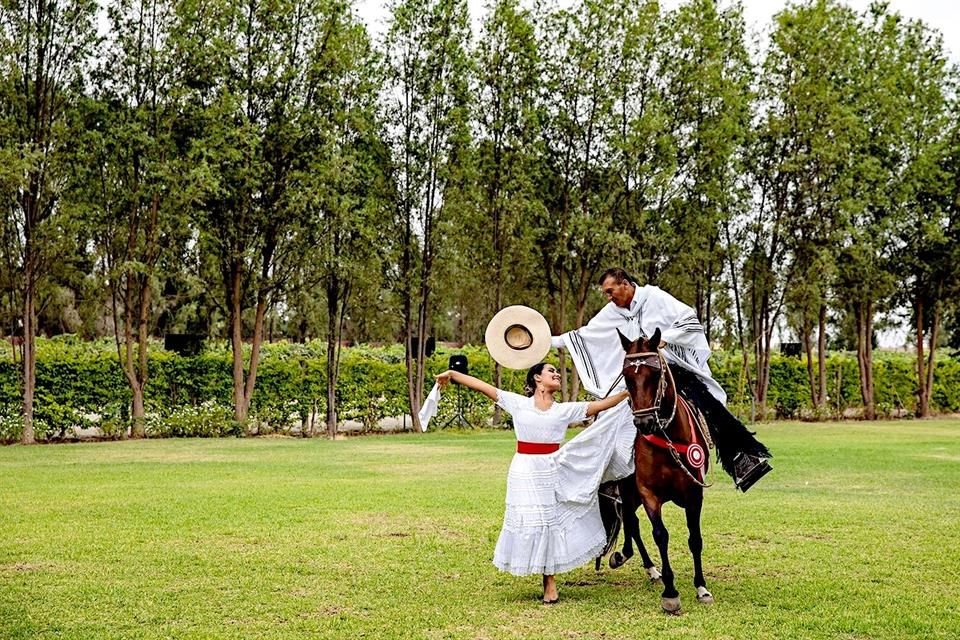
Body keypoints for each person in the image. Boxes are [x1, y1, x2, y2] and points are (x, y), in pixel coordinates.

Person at [552, 267, 772, 491]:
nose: (608, 297)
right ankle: (611, 480)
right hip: (640, 377)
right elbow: (586, 334)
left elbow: (689, 319)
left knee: (709, 404)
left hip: (672, 371)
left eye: (611, 291)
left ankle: (742, 460)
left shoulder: (654, 298)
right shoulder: (612, 312)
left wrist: (666, 338)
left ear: (625, 284)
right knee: (609, 420)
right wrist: (547, 341)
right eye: (606, 293)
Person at [436, 362, 629, 604]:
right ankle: (539, 570)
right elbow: (484, 387)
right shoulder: (518, 403)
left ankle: (550, 581)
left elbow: (600, 406)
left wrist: (627, 392)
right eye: (552, 372)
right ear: (537, 378)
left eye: (558, 372)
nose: (557, 374)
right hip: (524, 471)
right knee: (531, 522)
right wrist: (453, 374)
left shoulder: (565, 410)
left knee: (549, 522)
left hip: (552, 470)